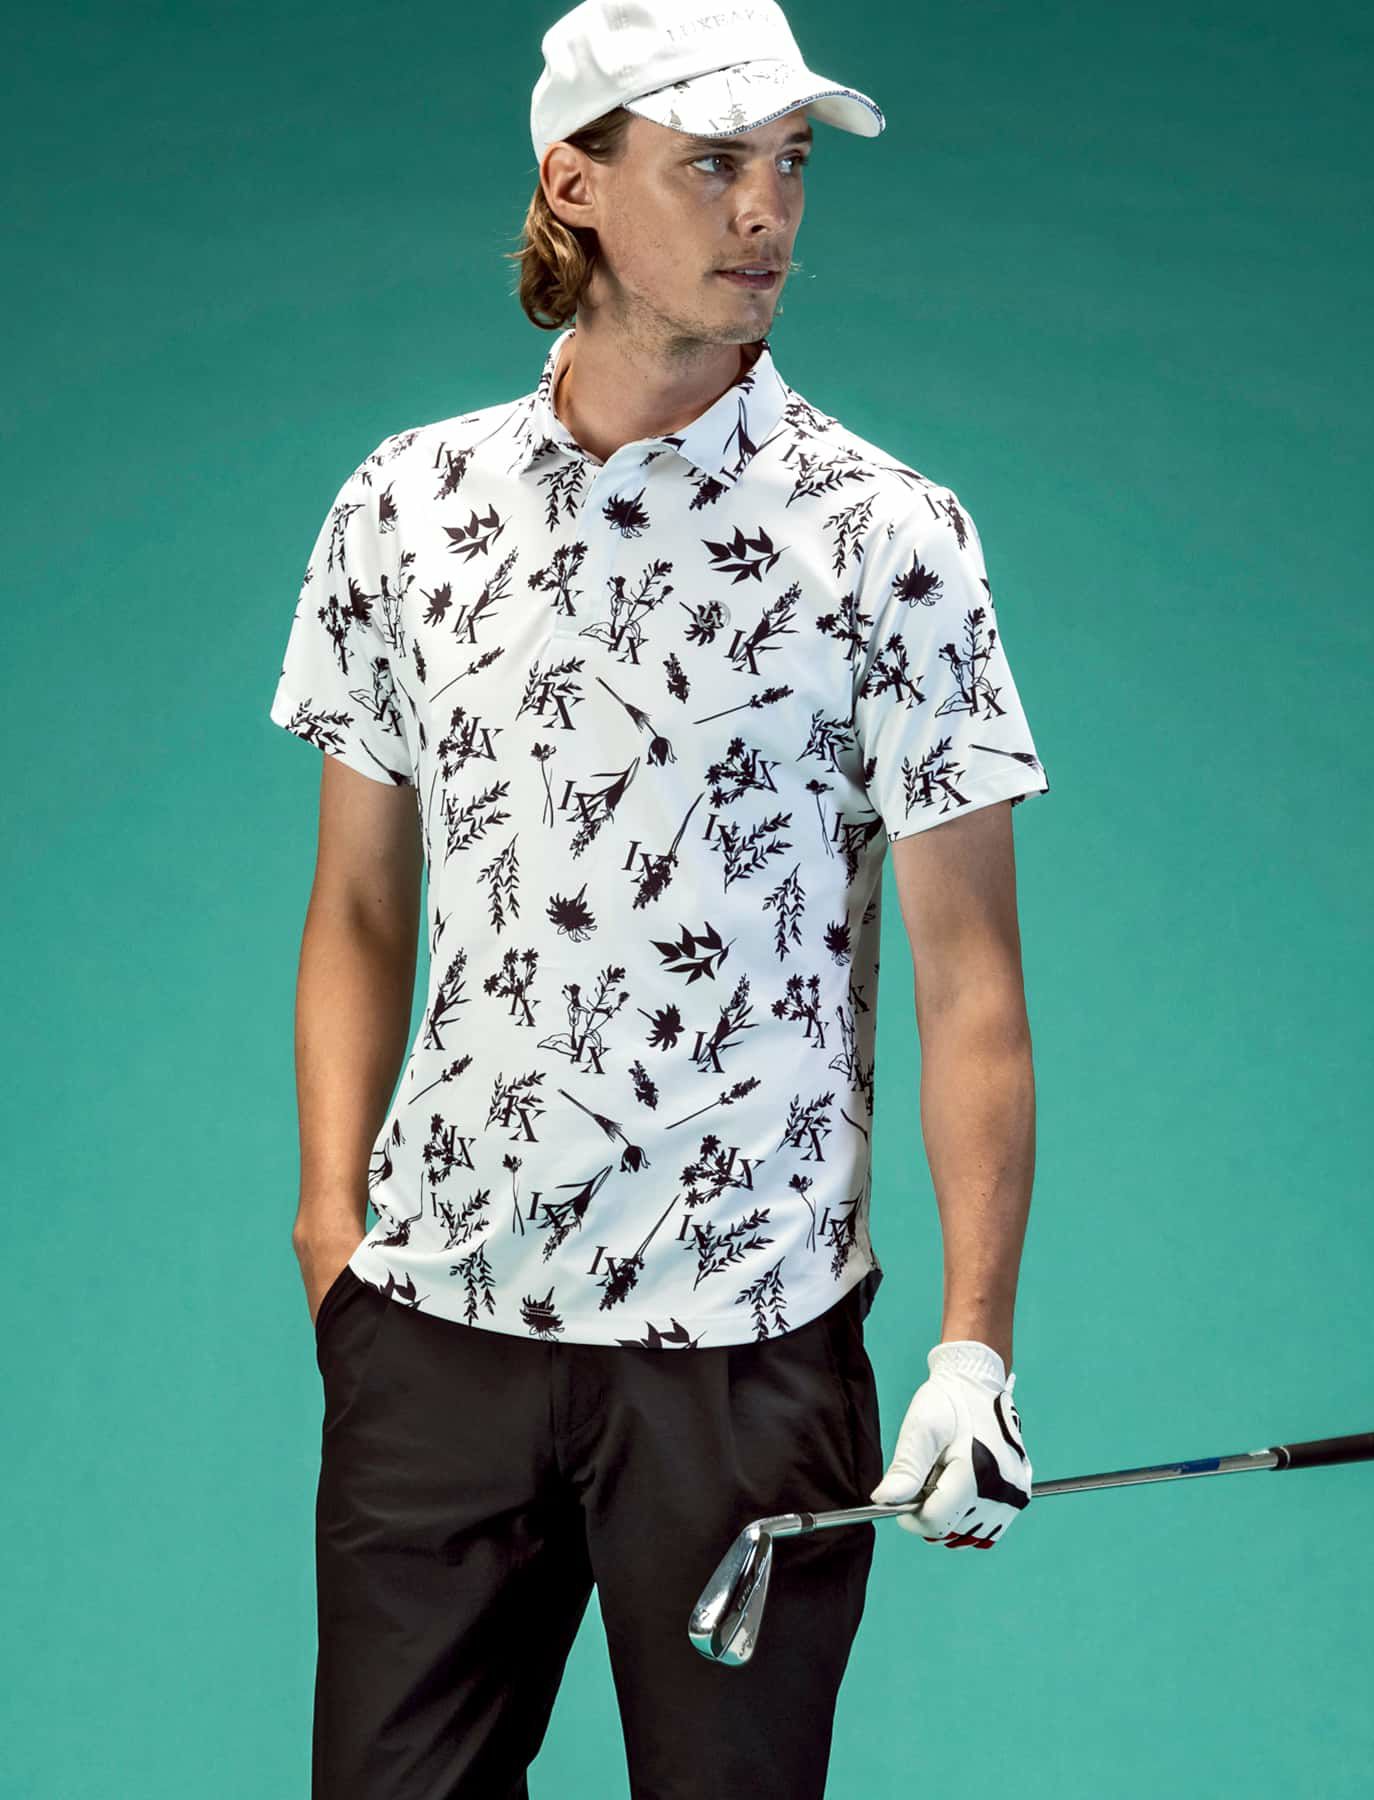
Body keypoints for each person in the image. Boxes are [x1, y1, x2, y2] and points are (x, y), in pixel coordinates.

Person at [269, 1, 1048, 1793]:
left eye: (789, 164)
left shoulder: (890, 538)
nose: (766, 210)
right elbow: (361, 908)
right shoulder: (408, 506)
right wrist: (332, 1239)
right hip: (437, 1330)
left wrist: (972, 1351)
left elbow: (973, 986)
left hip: (746, 1355)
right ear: (577, 183)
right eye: (711, 164)